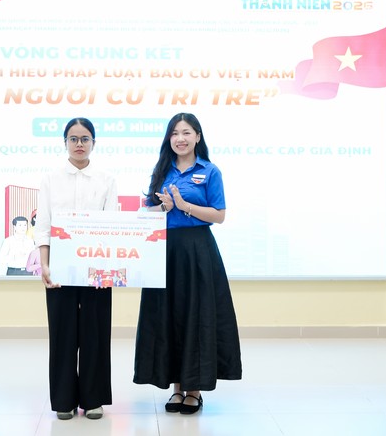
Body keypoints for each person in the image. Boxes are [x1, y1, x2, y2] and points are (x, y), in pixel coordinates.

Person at [133, 112, 242, 415]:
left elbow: (219, 215)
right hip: (165, 251)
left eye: (186, 133)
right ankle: (176, 388)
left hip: (197, 250)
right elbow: (148, 212)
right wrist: (163, 207)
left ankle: (194, 390)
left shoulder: (209, 171)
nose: (180, 139)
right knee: (169, 316)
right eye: (174, 133)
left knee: (196, 314)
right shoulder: (162, 170)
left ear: (197, 136)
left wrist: (184, 206)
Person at [34, 117, 119, 421]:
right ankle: (64, 399)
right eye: (73, 139)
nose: (79, 144)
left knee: (95, 332)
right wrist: (45, 264)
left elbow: (112, 226)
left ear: (94, 143)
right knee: (63, 334)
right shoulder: (50, 179)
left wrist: (108, 267)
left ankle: (93, 399)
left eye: (85, 139)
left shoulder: (106, 179)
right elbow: (43, 226)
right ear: (65, 143)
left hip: (97, 267)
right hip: (61, 266)